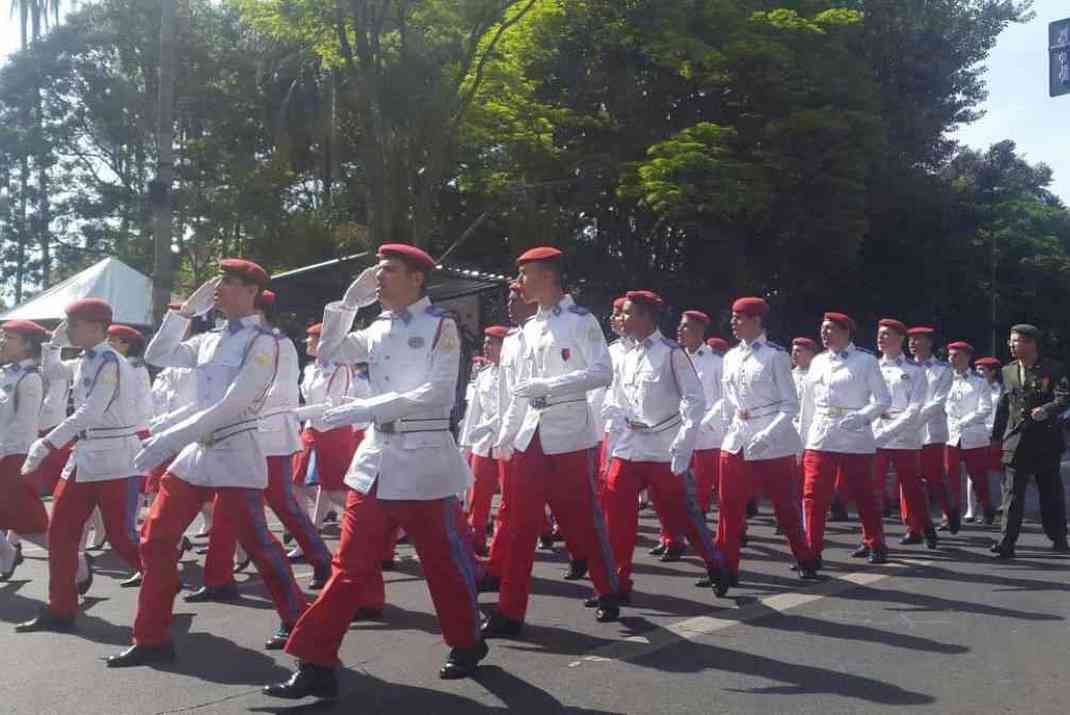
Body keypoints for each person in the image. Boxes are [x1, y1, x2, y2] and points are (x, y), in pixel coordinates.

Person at [264, 243, 485, 700]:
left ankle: (467, 641)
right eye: (376, 272)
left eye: (387, 272)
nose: (378, 278)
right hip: (377, 458)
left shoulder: (440, 324)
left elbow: (436, 390)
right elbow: (328, 351)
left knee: (441, 563)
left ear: (416, 278)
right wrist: (346, 303)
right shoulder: (378, 325)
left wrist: (361, 407)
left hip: (424, 458)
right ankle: (316, 662)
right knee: (348, 568)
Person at [107, 259, 309, 667]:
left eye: (229, 283)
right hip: (198, 452)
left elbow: (234, 403)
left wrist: (169, 439)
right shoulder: (209, 339)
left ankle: (302, 625)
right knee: (156, 536)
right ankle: (151, 637)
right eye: (218, 283)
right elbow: (160, 354)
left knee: (260, 545)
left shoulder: (264, 342)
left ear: (252, 291)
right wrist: (182, 315)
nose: (218, 290)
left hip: (235, 450)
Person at [485, 245, 620, 635]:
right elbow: (517, 392)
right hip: (529, 437)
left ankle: (608, 588)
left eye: (525, 274)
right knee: (519, 526)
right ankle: (510, 612)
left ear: (547, 276)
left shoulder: (581, 321)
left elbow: (601, 372)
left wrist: (551, 385)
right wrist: (505, 435)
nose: (519, 282)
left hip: (568, 434)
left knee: (582, 518)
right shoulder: (524, 331)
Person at [192, 289, 334, 601]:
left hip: (268, 433)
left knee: (280, 501)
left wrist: (237, 410)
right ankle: (219, 576)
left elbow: (278, 391)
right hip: (240, 431)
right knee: (228, 504)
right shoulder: (239, 339)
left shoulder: (276, 342)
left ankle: (321, 559)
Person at [16, 299, 141, 633]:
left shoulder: (110, 362)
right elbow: (54, 373)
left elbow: (90, 412)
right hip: (84, 455)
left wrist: (46, 443)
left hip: (114, 458)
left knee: (122, 539)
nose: (68, 328)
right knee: (60, 534)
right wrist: (52, 346)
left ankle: (162, 577)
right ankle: (60, 608)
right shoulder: (86, 360)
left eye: (73, 323)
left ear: (97, 327)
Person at [601, 291, 727, 598]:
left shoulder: (671, 353)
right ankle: (617, 584)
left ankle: (714, 563)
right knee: (616, 517)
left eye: (628, 313)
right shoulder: (625, 353)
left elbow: (695, 399)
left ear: (645, 317)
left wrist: (684, 440)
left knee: (680, 514)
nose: (621, 318)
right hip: (629, 445)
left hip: (663, 448)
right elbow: (615, 395)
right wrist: (613, 414)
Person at [716, 297, 818, 586]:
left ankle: (805, 558)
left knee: (785, 507)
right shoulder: (731, 356)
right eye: (733, 317)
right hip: (738, 439)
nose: (734, 322)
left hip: (773, 443)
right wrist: (727, 430)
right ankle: (726, 567)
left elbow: (790, 405)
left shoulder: (775, 356)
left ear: (757, 321)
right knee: (729, 506)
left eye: (740, 317)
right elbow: (727, 401)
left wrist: (767, 434)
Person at [799, 312, 891, 565]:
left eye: (830, 329)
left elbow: (883, 399)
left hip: (855, 436)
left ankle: (875, 543)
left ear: (846, 332)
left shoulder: (865, 361)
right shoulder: (817, 361)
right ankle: (810, 549)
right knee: (813, 495)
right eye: (822, 329)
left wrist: (862, 417)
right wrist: (802, 443)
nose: (824, 334)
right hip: (821, 435)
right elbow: (807, 405)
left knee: (863, 494)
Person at [990, 324, 1070, 559]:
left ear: (1031, 343)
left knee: (1050, 493)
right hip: (1016, 440)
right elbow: (1003, 407)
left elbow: (1064, 397)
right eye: (1010, 341)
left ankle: (1058, 537)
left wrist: (1046, 410)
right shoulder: (1007, 371)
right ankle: (1006, 543)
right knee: (1012, 493)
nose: (1011, 345)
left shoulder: (1053, 369)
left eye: (1016, 341)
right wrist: (996, 438)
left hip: (1045, 440)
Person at [480, 283, 537, 591]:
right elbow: (505, 398)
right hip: (509, 438)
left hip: (534, 437)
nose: (510, 305)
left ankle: (604, 580)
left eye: (516, 299)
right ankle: (497, 569)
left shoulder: (543, 334)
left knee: (573, 512)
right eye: (509, 300)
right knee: (509, 509)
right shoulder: (514, 340)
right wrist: (501, 434)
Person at [290, 322, 358, 544]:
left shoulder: (340, 368)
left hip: (334, 431)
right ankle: (307, 535)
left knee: (335, 491)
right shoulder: (310, 369)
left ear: (325, 343)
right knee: (296, 482)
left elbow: (331, 405)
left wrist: (295, 413)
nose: (308, 342)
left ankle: (370, 525)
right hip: (311, 428)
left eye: (312, 339)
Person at [871, 319, 936, 549]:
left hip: (905, 433)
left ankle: (923, 527)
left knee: (912, 487)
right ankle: (871, 539)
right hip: (876, 433)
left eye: (886, 334)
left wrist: (892, 429)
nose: (880, 338)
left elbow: (915, 407)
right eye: (879, 334)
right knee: (871, 488)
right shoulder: (871, 367)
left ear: (900, 339)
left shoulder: (915, 370)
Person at [0, 320, 51, 582]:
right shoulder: (6, 373)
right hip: (3, 454)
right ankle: (7, 554)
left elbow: (23, 426)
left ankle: (77, 566)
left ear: (27, 345)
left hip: (14, 457)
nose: (3, 341)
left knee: (30, 524)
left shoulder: (30, 378)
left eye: (10, 337)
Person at [458, 326, 508, 555]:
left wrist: (488, 426)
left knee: (509, 498)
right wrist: (466, 444)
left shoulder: (513, 374)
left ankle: (503, 544)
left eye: (492, 343)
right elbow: (473, 412)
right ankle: (476, 540)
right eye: (486, 343)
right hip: (482, 442)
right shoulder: (484, 374)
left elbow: (511, 409)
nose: (486, 347)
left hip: (506, 441)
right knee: (477, 494)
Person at [907, 326, 956, 533]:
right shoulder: (904, 367)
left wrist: (912, 419)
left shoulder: (943, 369)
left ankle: (949, 512)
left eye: (917, 339)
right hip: (904, 431)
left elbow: (938, 402)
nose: (912, 343)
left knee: (934, 478)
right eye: (910, 339)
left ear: (929, 342)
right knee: (909, 479)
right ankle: (913, 526)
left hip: (930, 431)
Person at [678, 309, 724, 516]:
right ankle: (678, 531)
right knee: (676, 481)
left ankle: (701, 526)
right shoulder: (676, 358)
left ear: (698, 330)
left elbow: (724, 397)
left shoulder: (715, 361)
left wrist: (705, 422)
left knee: (703, 485)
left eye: (685, 326)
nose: (679, 330)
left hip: (707, 431)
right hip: (679, 428)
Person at [943, 342, 995, 526]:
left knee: (978, 477)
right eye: (950, 355)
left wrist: (965, 421)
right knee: (950, 478)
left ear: (967, 357)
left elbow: (985, 408)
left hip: (974, 436)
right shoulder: (945, 380)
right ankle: (951, 515)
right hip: (951, 437)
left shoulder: (979, 382)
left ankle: (987, 506)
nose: (951, 359)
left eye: (956, 355)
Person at [967, 356, 1003, 523]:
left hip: (995, 436)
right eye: (977, 369)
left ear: (993, 372)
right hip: (976, 434)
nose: (978, 372)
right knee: (972, 473)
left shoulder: (1001, 390)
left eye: (982, 369)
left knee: (999, 472)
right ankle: (971, 510)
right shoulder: (972, 388)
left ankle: (1000, 506)